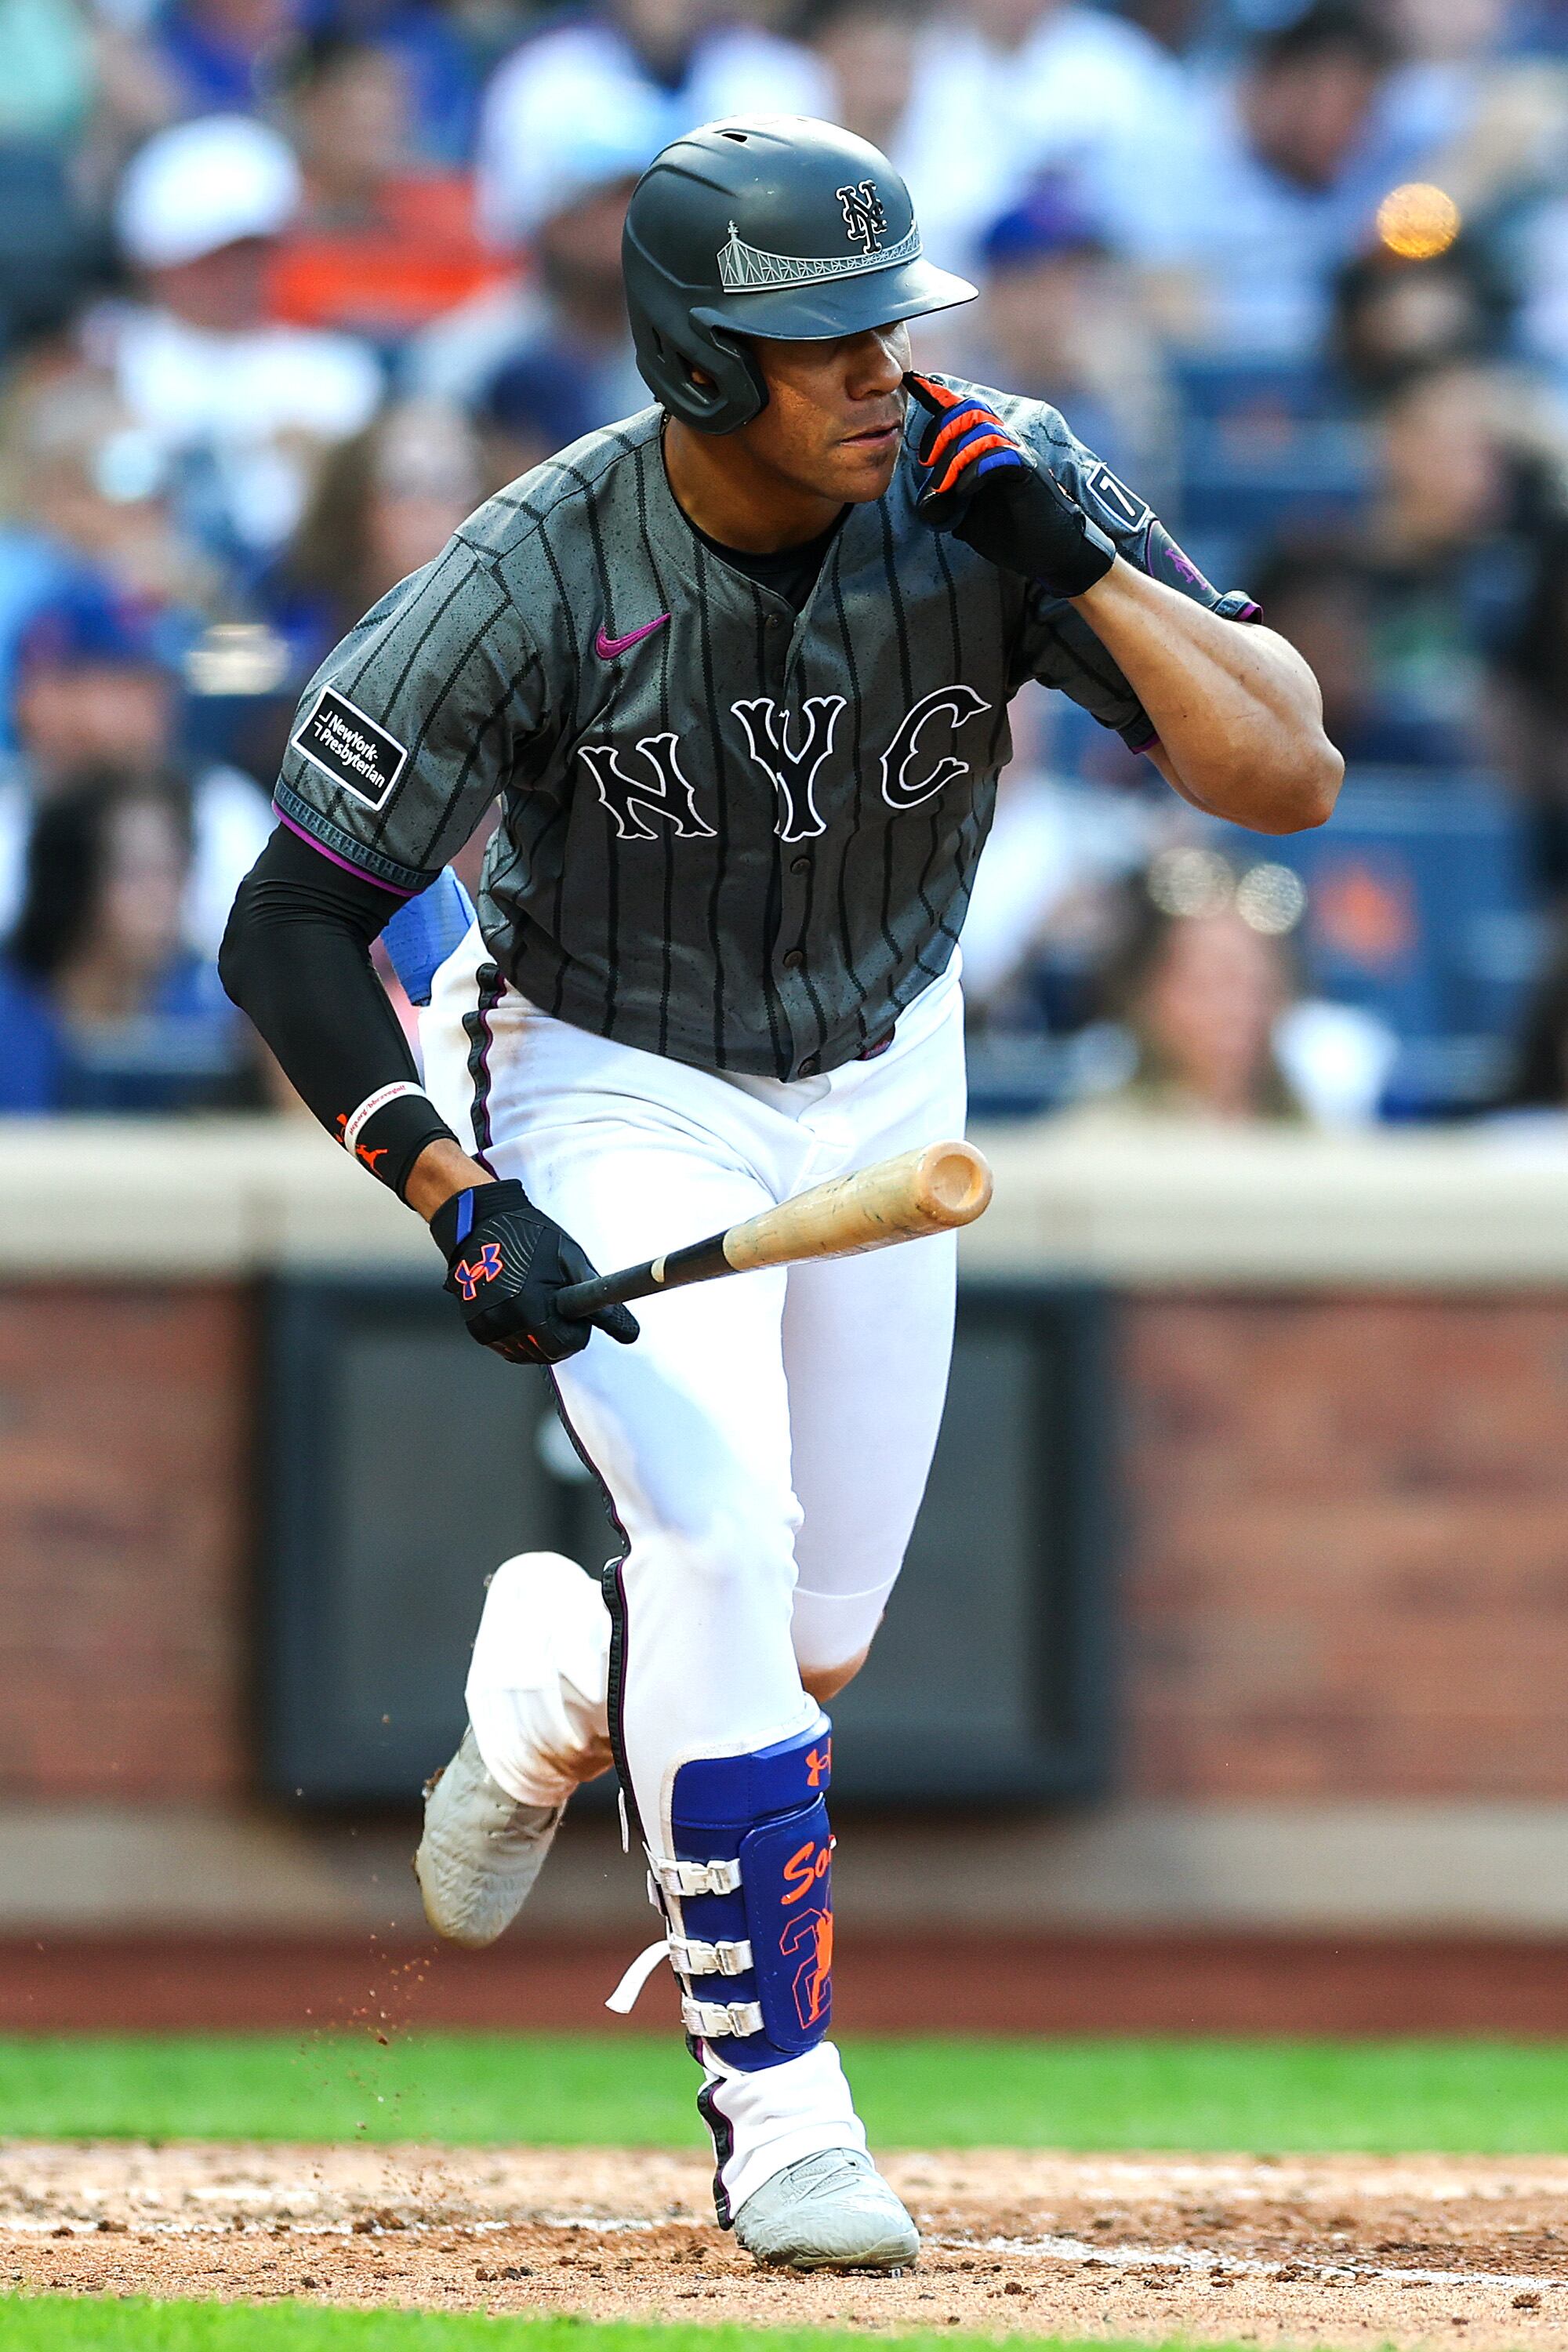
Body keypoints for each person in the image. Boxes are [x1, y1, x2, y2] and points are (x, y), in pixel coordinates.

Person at [220, 116, 1339, 2270]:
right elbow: (292, 918)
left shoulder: (991, 476)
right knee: (725, 1530)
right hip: (600, 1064)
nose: (875, 374)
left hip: (876, 1062)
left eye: (883, 327)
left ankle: (559, 1679)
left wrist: (1076, 561)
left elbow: (1286, 767)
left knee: (805, 1646)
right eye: (817, 342)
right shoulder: (528, 575)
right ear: (695, 359)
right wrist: (447, 1185)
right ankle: (783, 2115)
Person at [89, 113, 382, 558]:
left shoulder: (335, 371)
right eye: (210, 257)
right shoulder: (107, 361)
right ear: (155, 262)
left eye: (251, 252)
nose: (237, 274)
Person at [0, 573, 274, 953]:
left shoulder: (222, 812)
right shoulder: (8, 822)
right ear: (40, 696)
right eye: (127, 684)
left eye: (157, 685)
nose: (153, 707)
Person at [0, 768, 261, 1112]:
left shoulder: (225, 1016)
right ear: (72, 881)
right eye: (137, 872)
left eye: (174, 871)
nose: (163, 897)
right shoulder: (10, 1015)